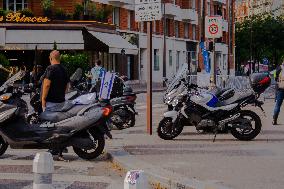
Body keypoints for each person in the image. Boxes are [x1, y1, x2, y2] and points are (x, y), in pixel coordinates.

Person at [273, 55, 284, 125]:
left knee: (278, 105)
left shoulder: (280, 67)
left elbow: (275, 76)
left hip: (280, 88)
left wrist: (278, 80)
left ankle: (274, 120)